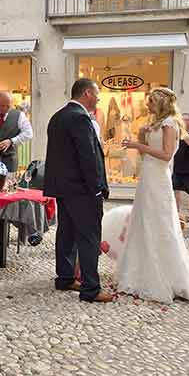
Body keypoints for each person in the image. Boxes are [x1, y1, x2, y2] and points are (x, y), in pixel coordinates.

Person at [119, 90, 189, 304]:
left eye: (150, 102)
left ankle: (165, 276)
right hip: (148, 176)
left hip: (159, 178)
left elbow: (167, 155)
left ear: (160, 103)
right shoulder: (156, 123)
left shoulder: (170, 123)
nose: (147, 106)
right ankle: (139, 274)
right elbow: (147, 155)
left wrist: (139, 145)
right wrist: (142, 137)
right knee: (144, 221)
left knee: (159, 223)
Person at [44, 79, 113, 303]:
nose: (99, 98)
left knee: (66, 233)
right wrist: (97, 186)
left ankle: (64, 277)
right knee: (89, 236)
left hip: (63, 188)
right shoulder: (80, 118)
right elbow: (88, 156)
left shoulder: (57, 117)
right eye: (97, 94)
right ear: (86, 93)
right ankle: (91, 289)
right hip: (82, 189)